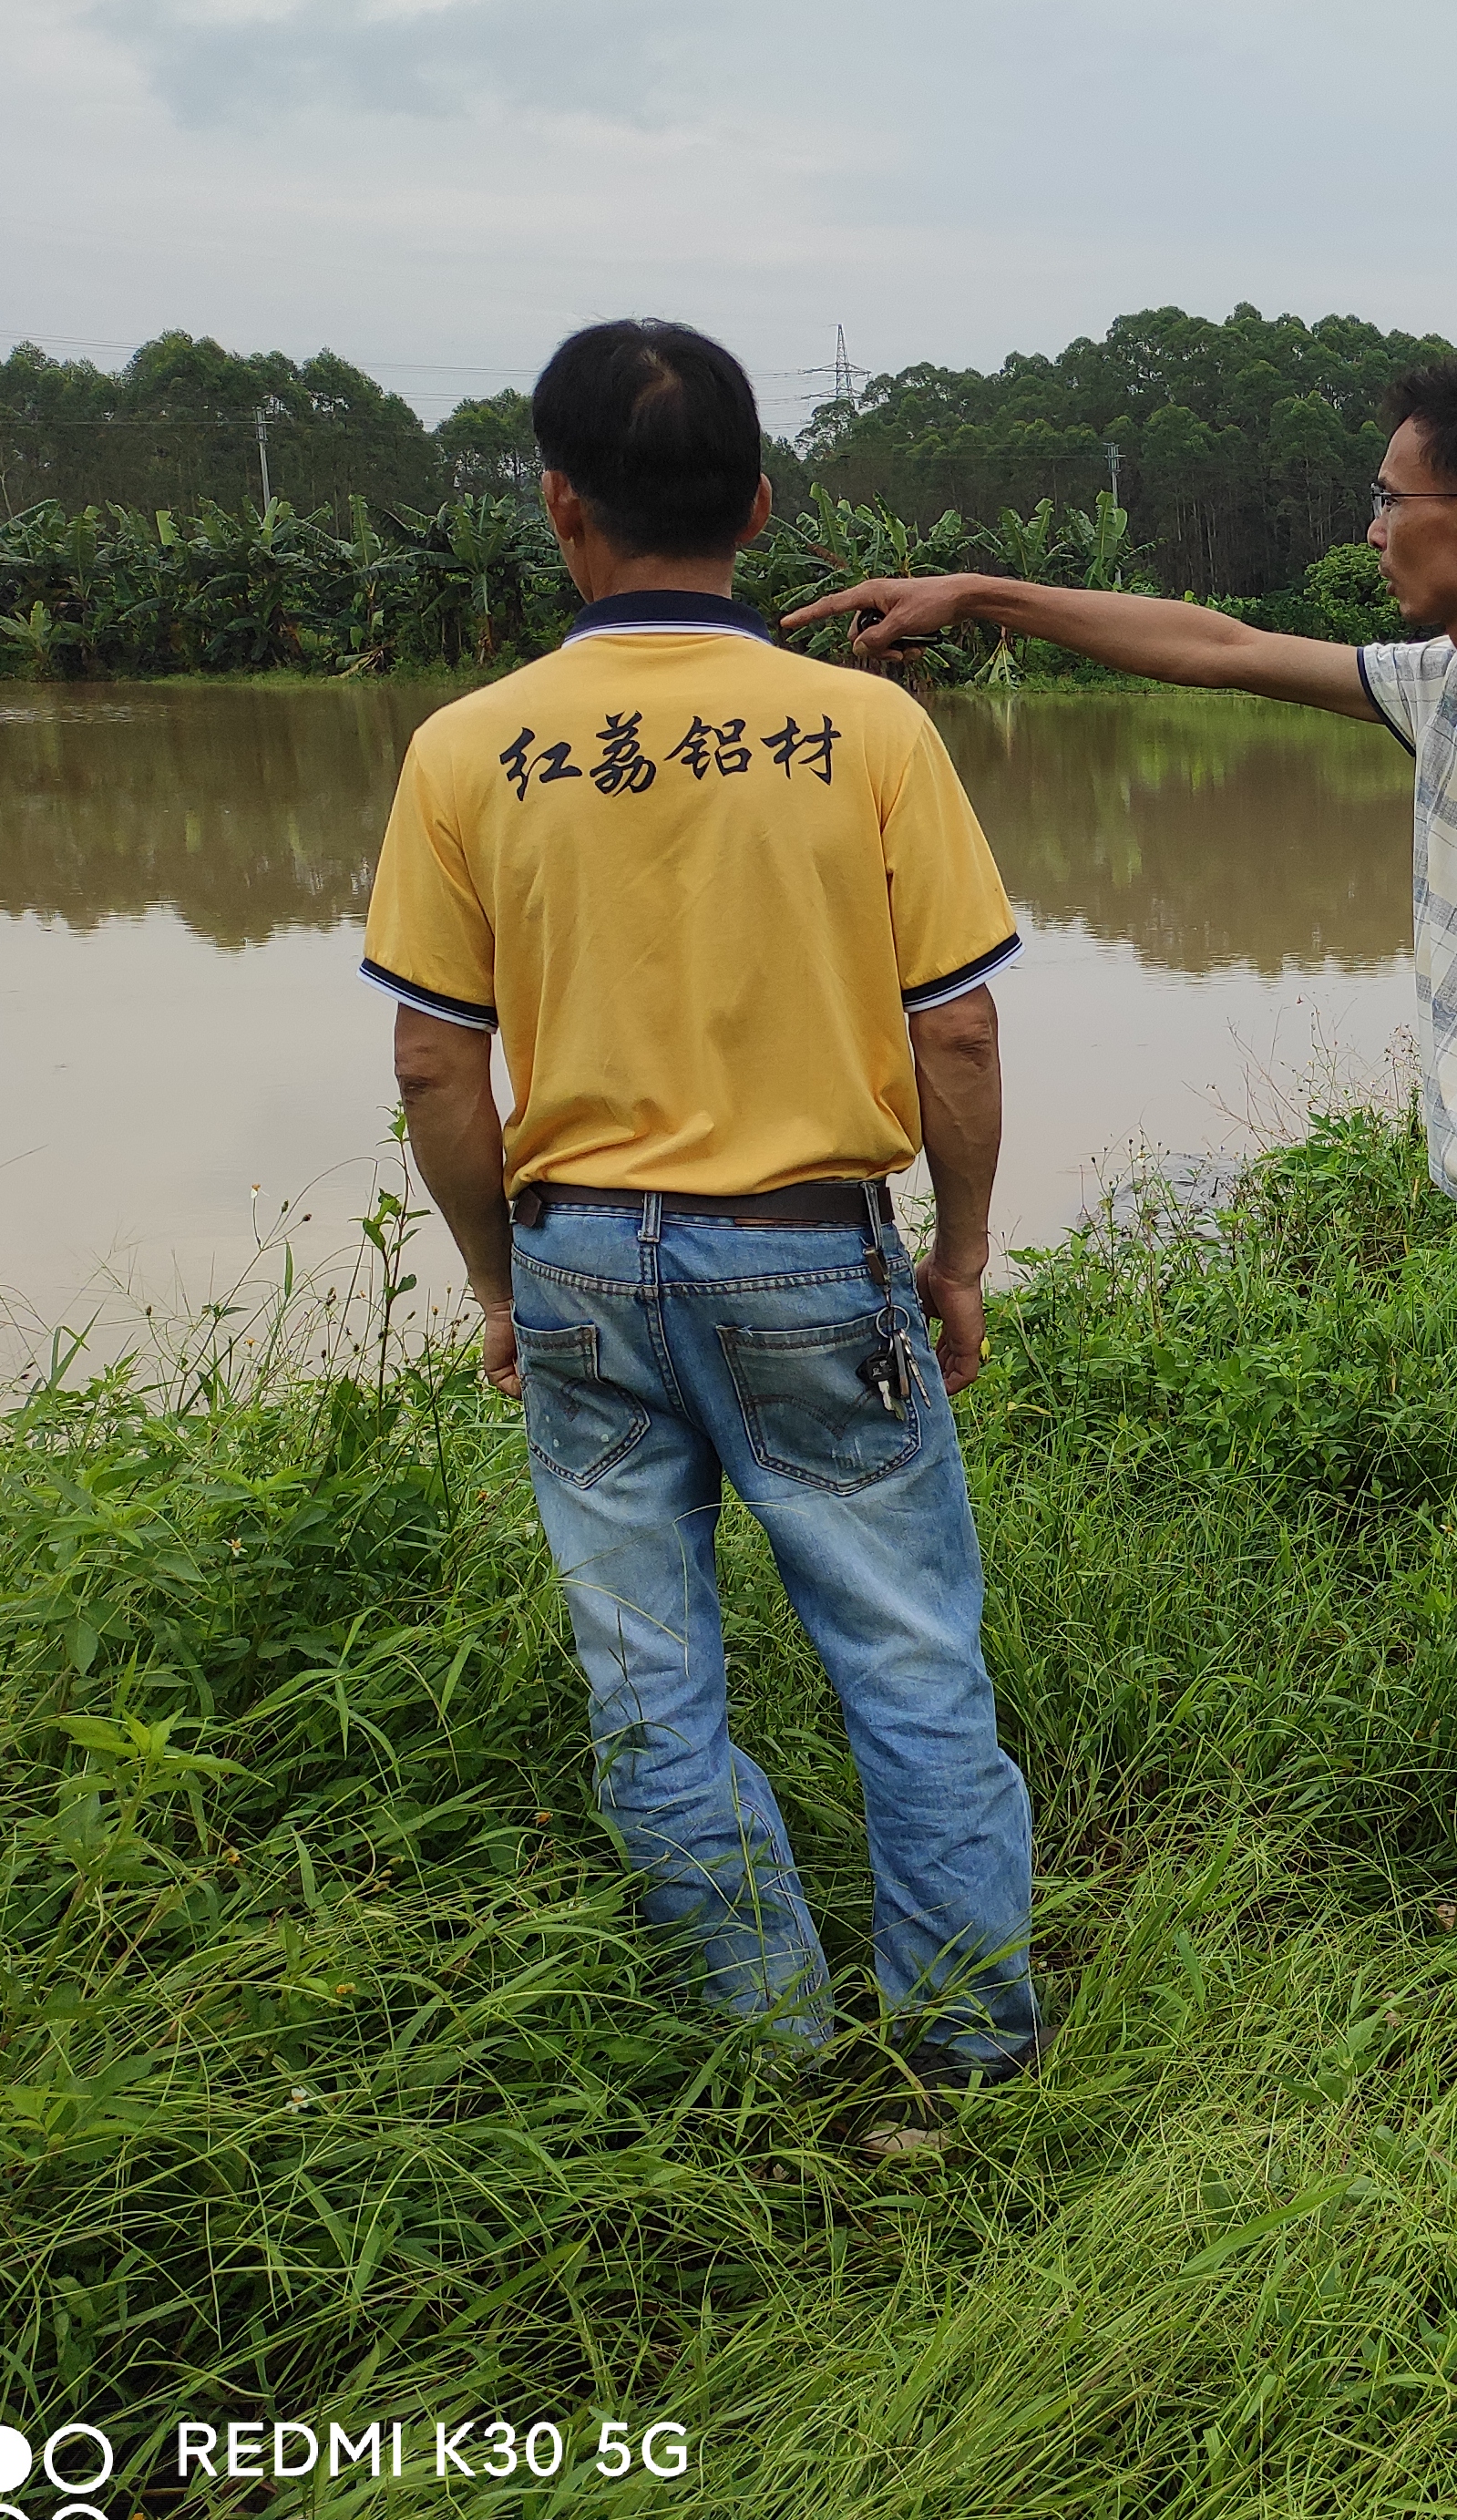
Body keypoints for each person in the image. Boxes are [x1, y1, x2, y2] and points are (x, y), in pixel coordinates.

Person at [789, 362, 1457, 1952]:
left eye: (1389, 501)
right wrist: (985, 593)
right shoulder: (1450, 691)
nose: (1371, 533)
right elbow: (1208, 649)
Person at [364, 318, 1041, 2080]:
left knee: (651, 1687)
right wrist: (959, 1260)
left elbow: (439, 1071)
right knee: (906, 1667)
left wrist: (507, 1289)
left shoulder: (466, 750)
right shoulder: (869, 731)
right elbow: (954, 1035)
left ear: (557, 506)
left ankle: (770, 2055)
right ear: (756, 501)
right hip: (812, 1254)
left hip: (581, 1258)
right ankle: (966, 2067)